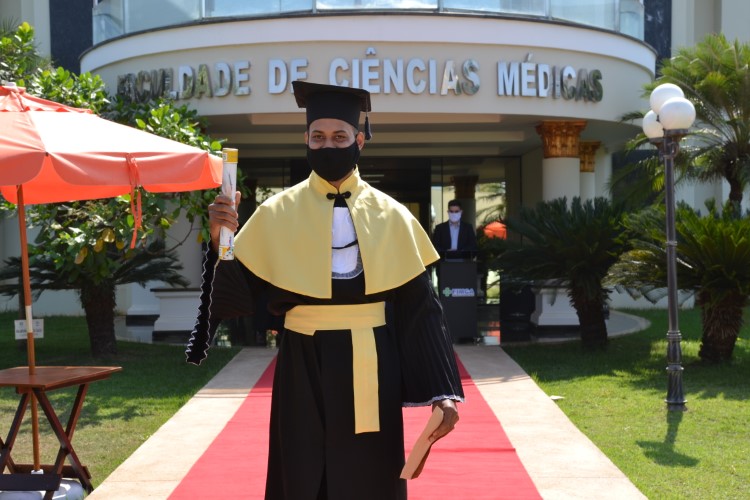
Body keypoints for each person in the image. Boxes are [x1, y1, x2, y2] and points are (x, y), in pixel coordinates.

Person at [186, 80, 464, 500]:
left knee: (369, 475)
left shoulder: (392, 215)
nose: (328, 145)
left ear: (359, 141)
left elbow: (421, 310)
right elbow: (239, 293)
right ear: (306, 140)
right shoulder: (277, 212)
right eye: (318, 137)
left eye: (339, 137)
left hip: (372, 362)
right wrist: (220, 239)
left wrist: (444, 393)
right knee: (302, 470)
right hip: (302, 362)